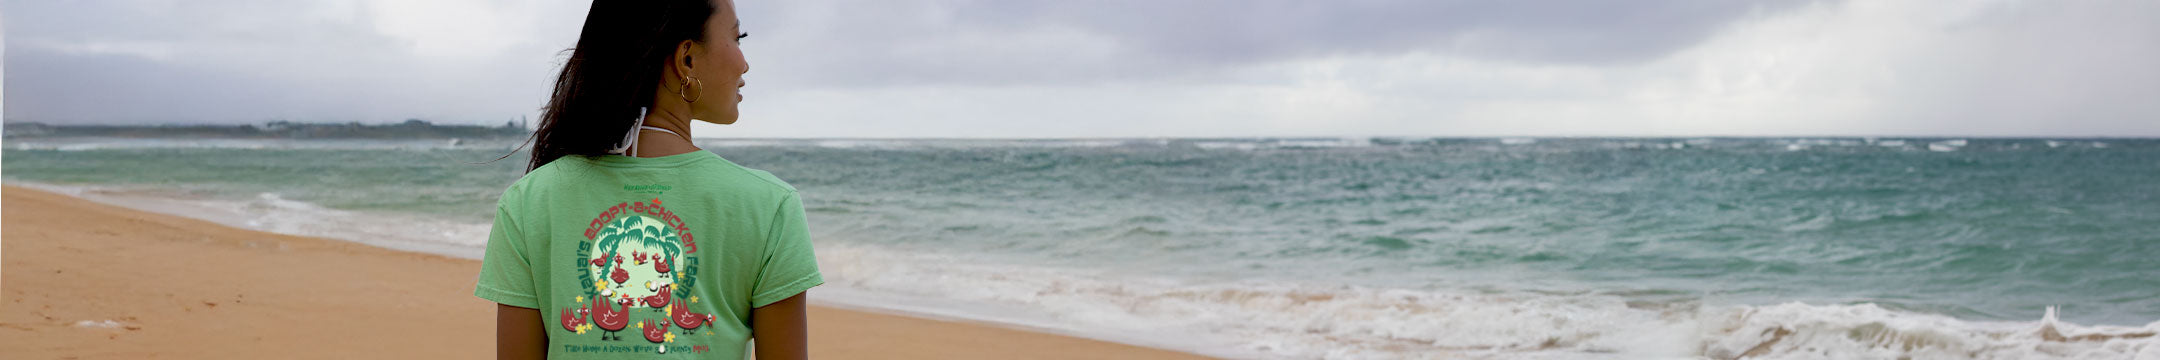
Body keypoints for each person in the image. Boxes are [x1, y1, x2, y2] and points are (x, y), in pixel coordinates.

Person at [472, 0, 819, 358]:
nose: (744, 63)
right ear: (687, 59)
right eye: (737, 37)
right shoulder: (769, 206)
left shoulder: (528, 201)